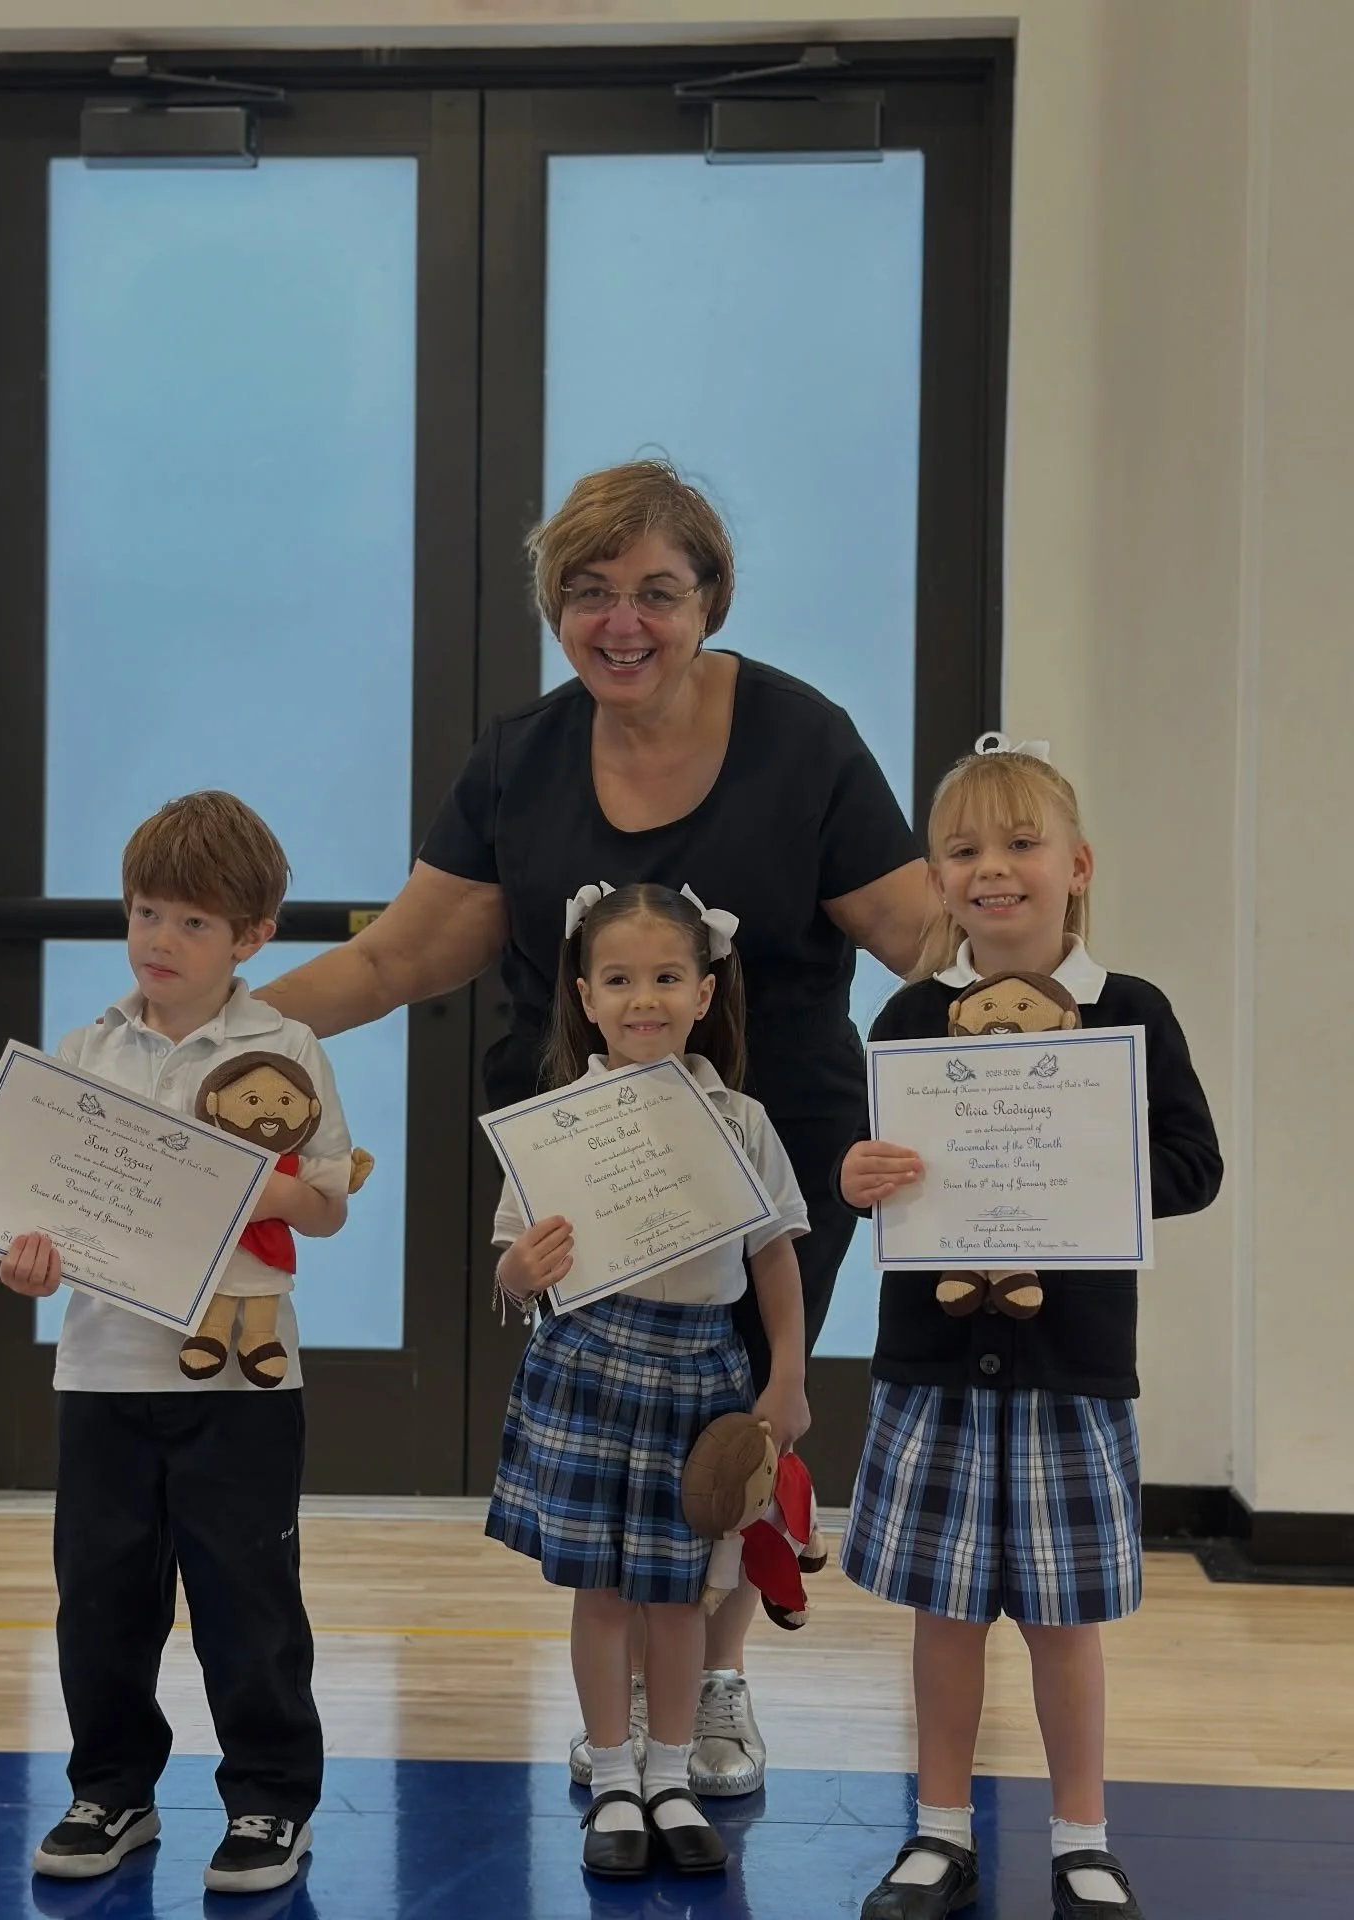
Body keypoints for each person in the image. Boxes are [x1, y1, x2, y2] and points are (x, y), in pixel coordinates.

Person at [255, 460, 931, 1792]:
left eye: (657, 592)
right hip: (586, 1170)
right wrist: (218, 1029)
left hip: (772, 1148)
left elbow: (927, 942)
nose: (623, 622)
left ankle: (713, 1688)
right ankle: (630, 1705)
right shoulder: (521, 758)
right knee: (623, 1438)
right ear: (555, 608)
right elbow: (395, 959)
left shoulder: (805, 740)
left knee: (733, 1432)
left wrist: (1062, 1016)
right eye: (590, 592)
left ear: (711, 600)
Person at [837, 738, 1223, 1920]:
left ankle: (1082, 1838)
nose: (992, 868)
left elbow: (1195, 1165)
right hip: (935, 1368)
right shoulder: (908, 1016)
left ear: (1078, 866)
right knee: (944, 1615)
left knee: (1065, 1622)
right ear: (937, 881)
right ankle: (939, 1830)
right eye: (963, 851)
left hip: (1073, 1374)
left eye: (1020, 844)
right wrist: (856, 1175)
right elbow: (876, 1166)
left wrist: (1089, 1165)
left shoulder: (1131, 1012)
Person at [0, 792, 352, 1897]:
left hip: (244, 1383)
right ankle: (111, 1790)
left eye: (194, 922)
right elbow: (43, 1210)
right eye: (147, 912)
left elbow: (328, 1205)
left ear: (252, 937)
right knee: (100, 1599)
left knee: (249, 1601)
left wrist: (249, 1181)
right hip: (102, 1371)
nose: (161, 938)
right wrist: (30, 1261)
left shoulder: (285, 1048)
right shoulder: (85, 1050)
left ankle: (269, 1802)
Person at [487, 882, 808, 1878]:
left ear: (704, 994)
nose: (644, 999)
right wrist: (519, 1271)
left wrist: (788, 1378)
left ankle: (671, 1778)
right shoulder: (555, 1127)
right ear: (585, 997)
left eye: (668, 977)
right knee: (601, 1594)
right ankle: (615, 1781)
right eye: (619, 980)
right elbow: (512, 1265)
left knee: (679, 1596)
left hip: (701, 1372)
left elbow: (774, 1257)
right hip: (587, 1368)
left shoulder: (742, 1122)